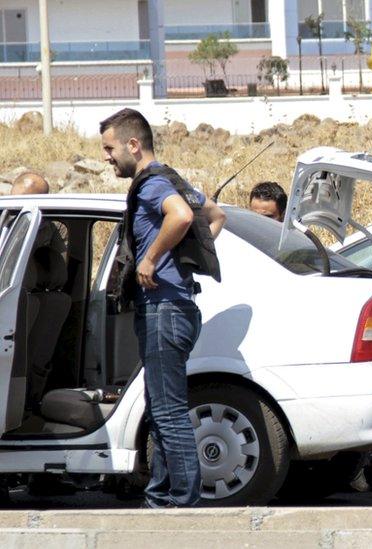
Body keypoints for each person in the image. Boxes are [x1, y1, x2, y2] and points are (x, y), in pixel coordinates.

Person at [99, 108, 226, 508]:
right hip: (172, 305)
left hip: (164, 308)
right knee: (160, 409)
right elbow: (214, 215)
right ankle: (162, 495)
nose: (107, 157)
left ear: (133, 145)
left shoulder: (153, 185)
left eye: (110, 148)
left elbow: (185, 215)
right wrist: (186, 257)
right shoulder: (172, 178)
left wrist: (152, 258)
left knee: (168, 412)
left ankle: (181, 501)